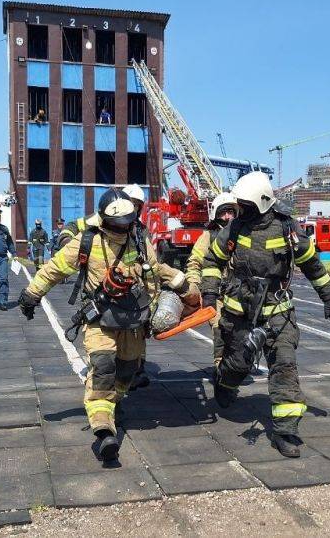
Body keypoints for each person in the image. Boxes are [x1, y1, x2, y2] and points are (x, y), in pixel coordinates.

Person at [15, 188, 199, 461]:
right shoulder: (88, 242)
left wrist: (185, 287)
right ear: (103, 219)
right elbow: (55, 268)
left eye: (127, 220)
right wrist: (32, 295)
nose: (123, 226)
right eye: (118, 222)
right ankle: (103, 430)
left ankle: (113, 403)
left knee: (126, 371)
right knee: (103, 367)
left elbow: (155, 269)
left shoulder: (139, 239)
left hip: (134, 321)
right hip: (100, 320)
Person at [199, 171, 330, 458]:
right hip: (240, 312)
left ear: (262, 203)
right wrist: (210, 293)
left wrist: (329, 296)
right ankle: (225, 383)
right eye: (241, 206)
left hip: (278, 311)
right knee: (238, 363)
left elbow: (311, 264)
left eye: (247, 206)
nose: (242, 211)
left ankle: (285, 431)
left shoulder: (287, 229)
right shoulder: (235, 228)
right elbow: (213, 259)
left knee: (284, 365)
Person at [186, 192, 238, 367]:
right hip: (217, 295)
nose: (228, 216)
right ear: (216, 214)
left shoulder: (243, 236)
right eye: (224, 212)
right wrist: (194, 287)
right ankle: (220, 369)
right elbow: (194, 263)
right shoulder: (208, 236)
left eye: (231, 212)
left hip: (240, 295)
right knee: (221, 330)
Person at [121, 184, 153, 389]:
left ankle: (136, 370)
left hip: (136, 287)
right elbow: (76, 226)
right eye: (132, 204)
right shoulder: (105, 223)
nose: (135, 209)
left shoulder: (140, 230)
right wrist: (66, 238)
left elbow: (150, 261)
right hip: (111, 287)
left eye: (138, 206)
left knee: (140, 329)